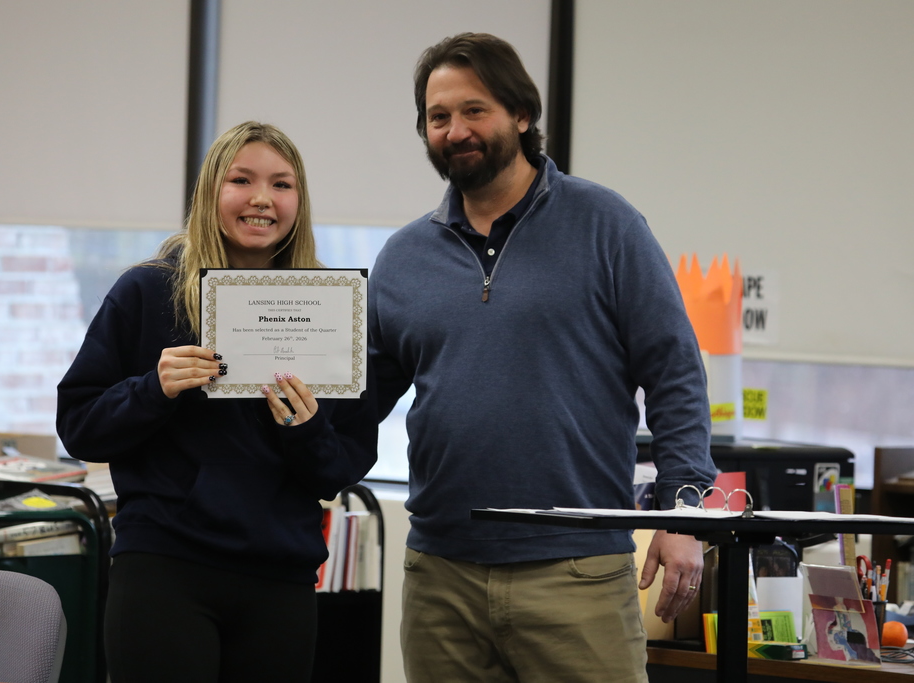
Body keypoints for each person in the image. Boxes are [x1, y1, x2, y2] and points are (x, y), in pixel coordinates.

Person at [368, 33, 717, 682]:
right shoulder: (402, 258)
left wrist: (684, 512)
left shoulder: (607, 225)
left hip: (577, 573)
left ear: (522, 114)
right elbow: (356, 402)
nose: (455, 131)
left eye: (475, 110)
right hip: (441, 577)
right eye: (438, 117)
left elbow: (675, 374)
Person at [57, 121, 377, 683]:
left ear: (299, 201)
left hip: (281, 577)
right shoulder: (147, 290)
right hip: (163, 566)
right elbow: (80, 427)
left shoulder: (329, 310)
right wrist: (153, 389)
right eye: (241, 180)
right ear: (210, 192)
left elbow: (338, 470)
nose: (262, 198)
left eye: (281, 184)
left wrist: (305, 429)